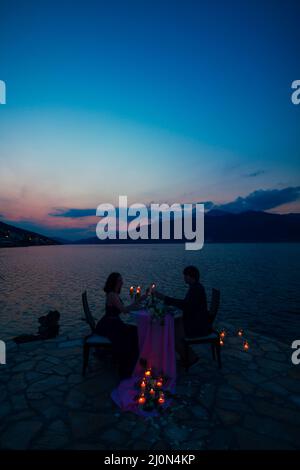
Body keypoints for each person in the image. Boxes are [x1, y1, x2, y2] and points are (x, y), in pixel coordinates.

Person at [154, 265, 211, 367]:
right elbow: (187, 305)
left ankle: (191, 358)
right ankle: (186, 356)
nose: (184, 278)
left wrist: (165, 298)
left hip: (197, 325)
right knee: (173, 326)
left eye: (185, 276)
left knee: (173, 335)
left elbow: (186, 305)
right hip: (194, 320)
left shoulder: (196, 289)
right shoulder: (195, 287)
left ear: (191, 276)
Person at [95, 272, 146, 379]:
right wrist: (138, 301)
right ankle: (128, 367)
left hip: (113, 322)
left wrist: (137, 303)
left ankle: (135, 362)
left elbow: (124, 308)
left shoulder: (113, 293)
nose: (122, 282)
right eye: (120, 280)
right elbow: (124, 310)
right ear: (114, 282)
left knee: (134, 330)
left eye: (121, 280)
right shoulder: (112, 295)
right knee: (132, 335)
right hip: (109, 325)